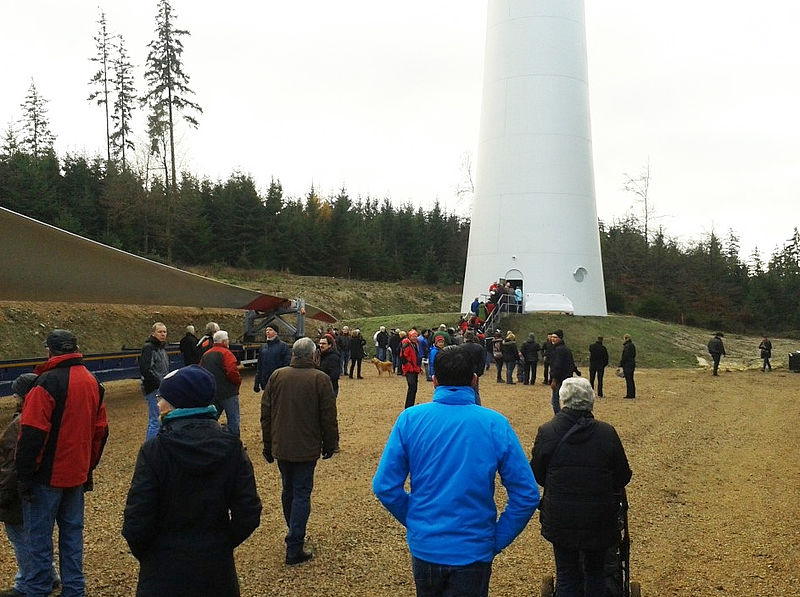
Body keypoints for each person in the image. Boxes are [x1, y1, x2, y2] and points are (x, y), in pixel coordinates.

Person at [373, 346, 540, 597]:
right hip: (474, 547)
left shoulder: (410, 419)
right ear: (474, 380)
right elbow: (526, 494)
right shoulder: (494, 423)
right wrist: (497, 538)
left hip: (427, 545)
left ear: (434, 380)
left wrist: (416, 519)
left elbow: (385, 486)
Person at [122, 366, 262, 596]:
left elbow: (137, 519)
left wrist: (152, 553)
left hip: (163, 570)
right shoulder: (231, 447)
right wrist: (221, 543)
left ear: (178, 402)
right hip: (216, 569)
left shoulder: (155, 451)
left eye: (162, 398)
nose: (158, 404)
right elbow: (248, 511)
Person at [16, 329, 109, 597]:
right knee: (72, 538)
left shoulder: (44, 383)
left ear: (50, 351)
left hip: (46, 477)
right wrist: (87, 466)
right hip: (76, 474)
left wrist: (25, 475)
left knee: (38, 541)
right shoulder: (93, 381)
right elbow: (100, 431)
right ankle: (74, 590)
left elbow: (32, 433)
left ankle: (37, 589)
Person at [530, 377, 632, 597]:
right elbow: (623, 476)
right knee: (596, 572)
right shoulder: (607, 433)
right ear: (591, 401)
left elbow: (538, 474)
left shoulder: (547, 431)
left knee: (567, 573)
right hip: (598, 517)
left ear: (562, 401)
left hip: (561, 516)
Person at [260, 337, 339, 565]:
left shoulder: (277, 376)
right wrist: (331, 443)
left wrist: (268, 443)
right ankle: (294, 542)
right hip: (306, 447)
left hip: (282, 446)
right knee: (301, 493)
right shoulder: (320, 379)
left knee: (288, 489)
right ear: (313, 356)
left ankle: (294, 529)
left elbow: (266, 413)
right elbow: (328, 416)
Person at [1, 374, 60, 597]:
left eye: (17, 392)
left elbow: (9, 467)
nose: (13, 395)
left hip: (18, 490)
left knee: (20, 537)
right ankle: (49, 575)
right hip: (38, 485)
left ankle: (27, 582)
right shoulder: (48, 417)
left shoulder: (19, 424)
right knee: (36, 535)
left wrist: (3, 494)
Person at [199, 330, 243, 437]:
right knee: (233, 419)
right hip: (228, 393)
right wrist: (237, 383)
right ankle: (234, 443)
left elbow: (200, 372)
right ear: (224, 341)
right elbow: (232, 372)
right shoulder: (226, 353)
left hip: (212, 393)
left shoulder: (206, 355)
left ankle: (208, 439)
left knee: (212, 419)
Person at [139, 322, 170, 441]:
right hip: (154, 388)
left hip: (163, 387)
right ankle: (150, 447)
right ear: (153, 333)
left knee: (163, 417)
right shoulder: (149, 348)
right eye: (160, 332)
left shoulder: (161, 348)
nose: (163, 334)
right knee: (155, 420)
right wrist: (158, 383)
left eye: (164, 332)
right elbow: (145, 369)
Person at [253, 325, 291, 393]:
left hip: (278, 382)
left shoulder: (283, 346)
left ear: (276, 332)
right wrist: (257, 382)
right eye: (266, 330)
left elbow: (286, 365)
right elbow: (259, 366)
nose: (267, 331)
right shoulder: (263, 347)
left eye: (270, 330)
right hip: (265, 382)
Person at [550, 330, 578, 414]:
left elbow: (557, 365)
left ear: (560, 338)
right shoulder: (565, 349)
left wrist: (554, 379)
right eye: (552, 337)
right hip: (567, 376)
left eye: (555, 337)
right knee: (567, 398)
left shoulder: (559, 350)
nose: (552, 339)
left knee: (555, 399)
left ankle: (558, 416)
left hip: (560, 378)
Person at [461, 330, 487, 405]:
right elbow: (482, 361)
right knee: (475, 391)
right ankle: (477, 405)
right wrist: (480, 372)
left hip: (463, 372)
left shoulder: (460, 347)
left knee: (464, 390)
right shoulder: (479, 347)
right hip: (475, 371)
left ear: (465, 338)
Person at [400, 329, 422, 409]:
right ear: (409, 336)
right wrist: (408, 366)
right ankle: (408, 406)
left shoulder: (416, 344)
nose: (415, 338)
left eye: (416, 336)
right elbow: (403, 357)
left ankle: (410, 405)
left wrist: (418, 367)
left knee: (414, 388)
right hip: (409, 369)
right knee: (412, 387)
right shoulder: (406, 344)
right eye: (413, 336)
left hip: (415, 368)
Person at [318, 334, 341, 398]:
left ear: (330, 345)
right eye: (320, 343)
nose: (321, 345)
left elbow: (335, 375)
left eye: (323, 344)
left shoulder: (333, 357)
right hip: (322, 388)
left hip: (330, 388)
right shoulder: (321, 355)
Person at [619, 334, 637, 398]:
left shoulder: (627, 346)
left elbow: (625, 356)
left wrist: (621, 364)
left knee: (628, 380)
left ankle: (629, 394)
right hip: (631, 364)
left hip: (627, 365)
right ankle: (632, 394)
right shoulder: (632, 345)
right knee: (631, 379)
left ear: (626, 339)